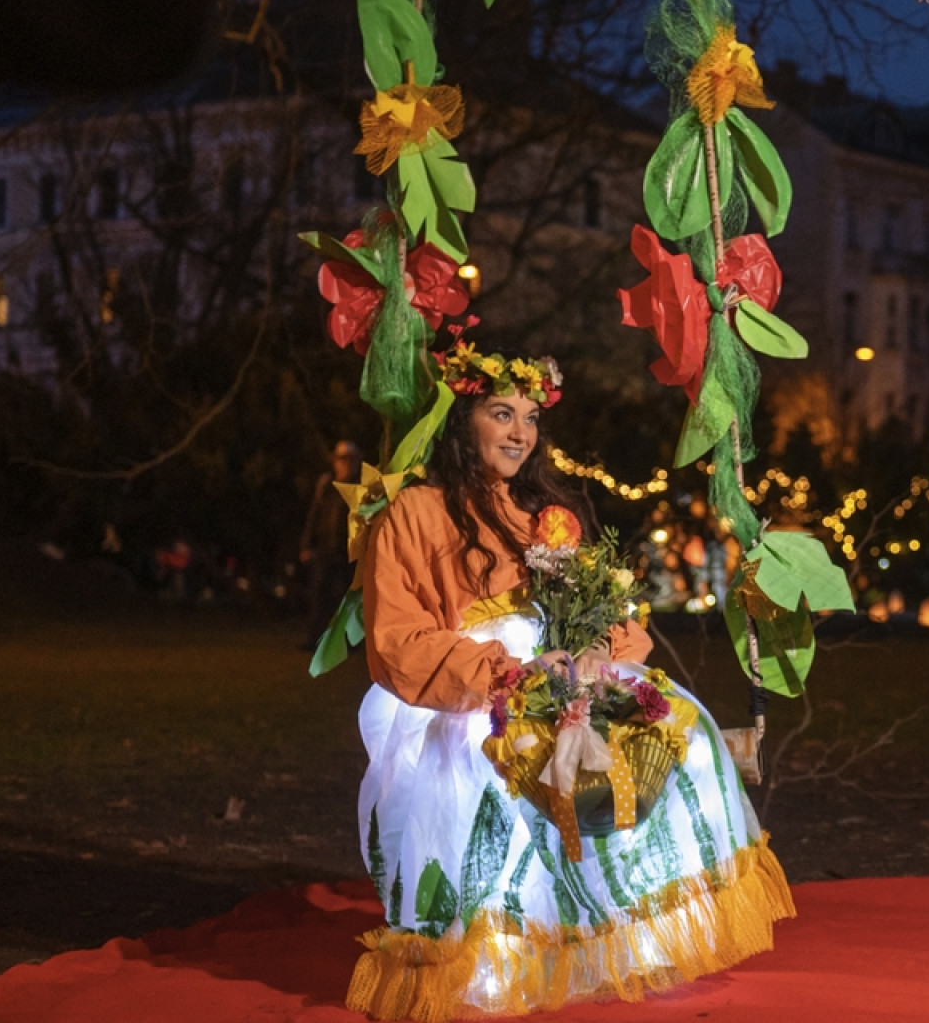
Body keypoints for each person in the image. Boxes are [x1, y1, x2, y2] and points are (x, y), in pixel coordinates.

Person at [345, 348, 792, 1022]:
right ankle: (496, 957)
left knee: (682, 735)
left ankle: (627, 931)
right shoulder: (414, 514)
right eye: (501, 413)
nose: (520, 432)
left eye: (529, 417)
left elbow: (606, 612)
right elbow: (398, 642)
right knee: (488, 771)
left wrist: (591, 649)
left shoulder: (544, 516)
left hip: (564, 675)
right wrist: (506, 674)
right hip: (472, 690)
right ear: (462, 420)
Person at [300, 440, 362, 647]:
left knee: (346, 599)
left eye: (349, 459)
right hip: (325, 550)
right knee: (319, 595)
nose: (345, 464)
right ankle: (314, 639)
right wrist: (307, 544)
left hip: (349, 552)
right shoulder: (326, 485)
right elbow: (314, 515)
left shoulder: (359, 487)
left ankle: (347, 642)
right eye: (341, 459)